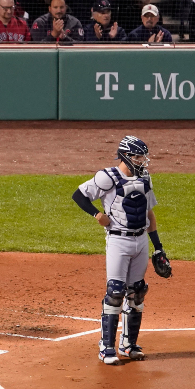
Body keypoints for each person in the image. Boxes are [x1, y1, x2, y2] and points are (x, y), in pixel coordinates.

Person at [72, 136, 171, 365]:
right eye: (138, 156)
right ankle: (106, 347)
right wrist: (97, 215)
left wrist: (158, 247)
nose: (142, 161)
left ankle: (128, 345)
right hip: (118, 241)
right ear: (126, 155)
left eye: (142, 156)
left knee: (137, 291)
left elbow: (149, 214)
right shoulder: (108, 177)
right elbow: (79, 195)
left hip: (140, 241)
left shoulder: (145, 178)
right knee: (115, 292)